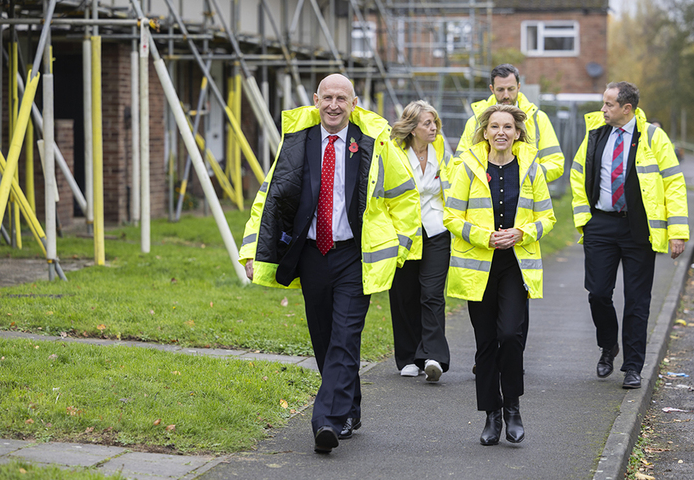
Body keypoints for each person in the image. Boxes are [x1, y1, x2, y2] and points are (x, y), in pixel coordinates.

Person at [238, 74, 421, 454]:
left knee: (344, 337)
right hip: (311, 255)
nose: (334, 105)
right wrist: (251, 251)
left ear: (354, 104)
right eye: (328, 98)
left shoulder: (374, 143)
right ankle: (349, 407)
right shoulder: (298, 142)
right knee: (324, 340)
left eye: (342, 98)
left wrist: (400, 247)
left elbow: (405, 197)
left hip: (355, 254)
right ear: (316, 100)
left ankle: (327, 420)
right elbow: (268, 200)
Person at [443, 104, 556, 446]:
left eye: (508, 126)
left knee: (510, 335)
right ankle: (491, 415)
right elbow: (450, 215)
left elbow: (547, 217)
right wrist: (484, 236)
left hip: (515, 266)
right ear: (486, 132)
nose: (502, 132)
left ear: (518, 132)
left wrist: (523, 233)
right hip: (479, 266)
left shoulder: (530, 168)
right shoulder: (467, 166)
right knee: (486, 343)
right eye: (495, 126)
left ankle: (513, 407)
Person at [570, 81, 689, 389]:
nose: (603, 109)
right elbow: (578, 173)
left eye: (609, 104)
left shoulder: (653, 137)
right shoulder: (596, 133)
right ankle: (608, 346)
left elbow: (674, 184)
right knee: (597, 293)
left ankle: (633, 366)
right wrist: (585, 218)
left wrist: (678, 232)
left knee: (637, 301)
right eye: (603, 103)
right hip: (601, 225)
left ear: (627, 109)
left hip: (639, 229)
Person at [456, 64, 564, 367]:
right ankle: (488, 359)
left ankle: (512, 358)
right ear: (492, 90)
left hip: (523, 213)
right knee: (486, 311)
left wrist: (527, 175)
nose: (506, 95)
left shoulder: (538, 119)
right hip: (483, 227)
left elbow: (556, 160)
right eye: (500, 90)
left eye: (511, 89)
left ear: (519, 87)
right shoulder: (477, 120)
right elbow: (461, 162)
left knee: (515, 313)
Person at [388, 101, 454, 381]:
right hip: (403, 232)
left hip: (437, 230)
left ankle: (433, 357)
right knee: (404, 295)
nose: (434, 128)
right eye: (428, 124)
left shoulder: (442, 151)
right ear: (412, 127)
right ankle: (407, 357)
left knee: (432, 294)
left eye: (435, 123)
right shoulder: (393, 153)